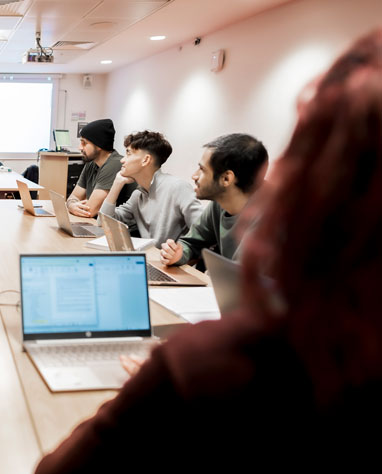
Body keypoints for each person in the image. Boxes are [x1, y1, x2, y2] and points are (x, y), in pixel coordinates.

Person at [35, 29, 382, 472]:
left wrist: (158, 379)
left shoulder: (215, 366)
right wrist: (180, 251)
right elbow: (188, 241)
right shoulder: (209, 212)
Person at [159, 133, 268, 265]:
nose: (194, 176)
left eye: (202, 169)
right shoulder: (220, 202)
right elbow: (191, 242)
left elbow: (244, 276)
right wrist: (178, 254)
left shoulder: (271, 215)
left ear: (226, 178)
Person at [99, 130, 204, 246]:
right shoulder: (138, 195)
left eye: (128, 153)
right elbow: (103, 224)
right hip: (151, 258)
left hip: (174, 262)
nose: (122, 160)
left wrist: (182, 252)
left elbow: (204, 233)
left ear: (146, 160)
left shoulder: (177, 188)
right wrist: (117, 183)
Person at [66, 118, 123, 218]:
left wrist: (72, 205)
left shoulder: (115, 164)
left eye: (84, 143)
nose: (80, 147)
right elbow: (74, 197)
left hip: (117, 229)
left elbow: (90, 211)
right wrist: (72, 205)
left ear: (99, 144)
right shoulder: (91, 163)